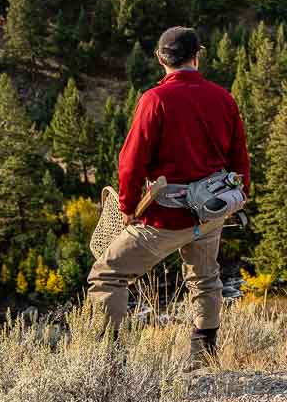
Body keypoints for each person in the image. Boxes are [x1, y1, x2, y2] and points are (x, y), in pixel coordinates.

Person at [87, 26, 250, 365]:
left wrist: (129, 207)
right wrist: (239, 196)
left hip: (165, 216)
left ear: (160, 58)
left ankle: (109, 363)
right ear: (198, 54)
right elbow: (239, 156)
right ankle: (203, 354)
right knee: (205, 278)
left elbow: (131, 161)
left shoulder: (155, 100)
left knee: (107, 275)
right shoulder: (223, 97)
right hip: (211, 210)